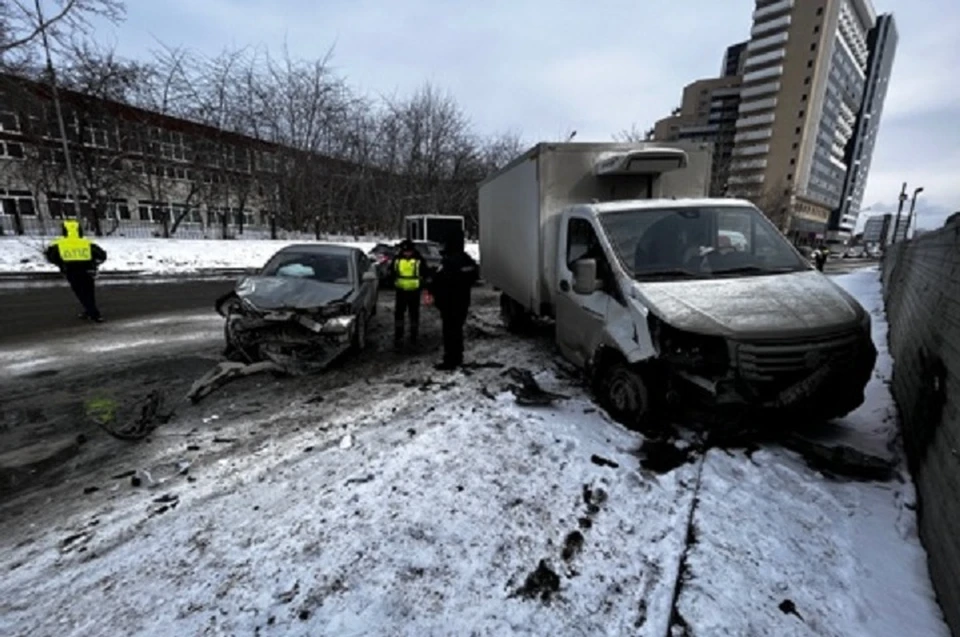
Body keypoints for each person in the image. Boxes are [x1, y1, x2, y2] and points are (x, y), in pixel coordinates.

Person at [428, 229, 479, 370]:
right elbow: (473, 275)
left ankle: (451, 359)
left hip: (450, 302)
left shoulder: (450, 261)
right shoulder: (466, 259)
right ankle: (456, 356)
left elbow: (441, 280)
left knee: (451, 332)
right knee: (456, 330)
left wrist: (431, 284)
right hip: (461, 301)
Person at [45, 218, 107, 322]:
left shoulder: (59, 244)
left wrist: (61, 264)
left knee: (80, 293)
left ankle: (95, 314)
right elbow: (102, 255)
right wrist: (94, 263)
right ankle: (90, 311)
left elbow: (51, 257)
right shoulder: (87, 243)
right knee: (89, 293)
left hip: (71, 271)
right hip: (88, 271)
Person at [393, 239, 424, 348]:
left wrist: (424, 285)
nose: (407, 253)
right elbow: (392, 272)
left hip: (414, 292)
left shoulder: (418, 259)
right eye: (405, 251)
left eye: (409, 251)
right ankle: (398, 335)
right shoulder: (397, 259)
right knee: (399, 314)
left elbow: (424, 272)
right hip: (401, 291)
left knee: (414, 314)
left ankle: (413, 336)